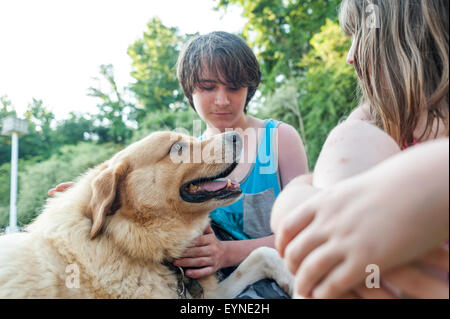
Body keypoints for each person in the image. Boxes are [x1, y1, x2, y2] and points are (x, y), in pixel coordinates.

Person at [49, 31, 309, 298]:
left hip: (282, 282)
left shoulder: (279, 138)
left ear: (249, 87)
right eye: (208, 87)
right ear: (189, 89)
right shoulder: (182, 162)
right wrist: (98, 194)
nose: (222, 99)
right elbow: (146, 220)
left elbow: (309, 234)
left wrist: (226, 253)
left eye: (233, 87)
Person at [271, 0, 449, 299]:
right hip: (379, 284)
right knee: (352, 136)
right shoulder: (372, 121)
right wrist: (298, 209)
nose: (350, 56)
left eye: (360, 33)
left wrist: (404, 197)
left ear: (416, 30)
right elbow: (305, 187)